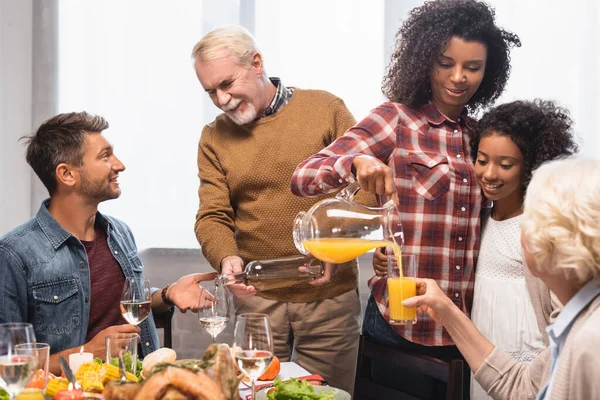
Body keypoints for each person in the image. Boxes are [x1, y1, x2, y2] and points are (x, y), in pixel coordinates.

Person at [290, 0, 520, 397]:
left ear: (490, 70)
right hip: (401, 327)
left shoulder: (482, 137)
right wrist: (357, 160)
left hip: (466, 328)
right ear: (424, 59)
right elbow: (303, 177)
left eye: (473, 67)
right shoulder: (395, 119)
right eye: (445, 63)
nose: (458, 77)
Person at [191, 25, 373, 393]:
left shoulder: (325, 109)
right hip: (257, 304)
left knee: (327, 396)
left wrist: (341, 250)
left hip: (329, 301)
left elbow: (366, 188)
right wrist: (227, 259)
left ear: (256, 63)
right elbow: (212, 215)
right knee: (253, 394)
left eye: (227, 84)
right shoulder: (213, 137)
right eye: (211, 91)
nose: (222, 99)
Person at [0, 112, 216, 374]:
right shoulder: (14, 254)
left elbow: (120, 302)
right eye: (105, 156)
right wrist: (86, 354)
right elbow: (6, 365)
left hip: (136, 386)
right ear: (67, 174)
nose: (120, 165)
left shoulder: (119, 232)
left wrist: (167, 294)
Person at [403, 157, 600, 400]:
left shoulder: (591, 342)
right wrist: (444, 309)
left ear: (552, 239)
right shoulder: (577, 323)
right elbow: (523, 388)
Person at [469, 100, 578, 399]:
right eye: (482, 160)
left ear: (530, 167)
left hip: (528, 362)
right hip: (483, 356)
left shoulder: (542, 226)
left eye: (505, 165)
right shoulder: (477, 219)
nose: (489, 173)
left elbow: (565, 313)